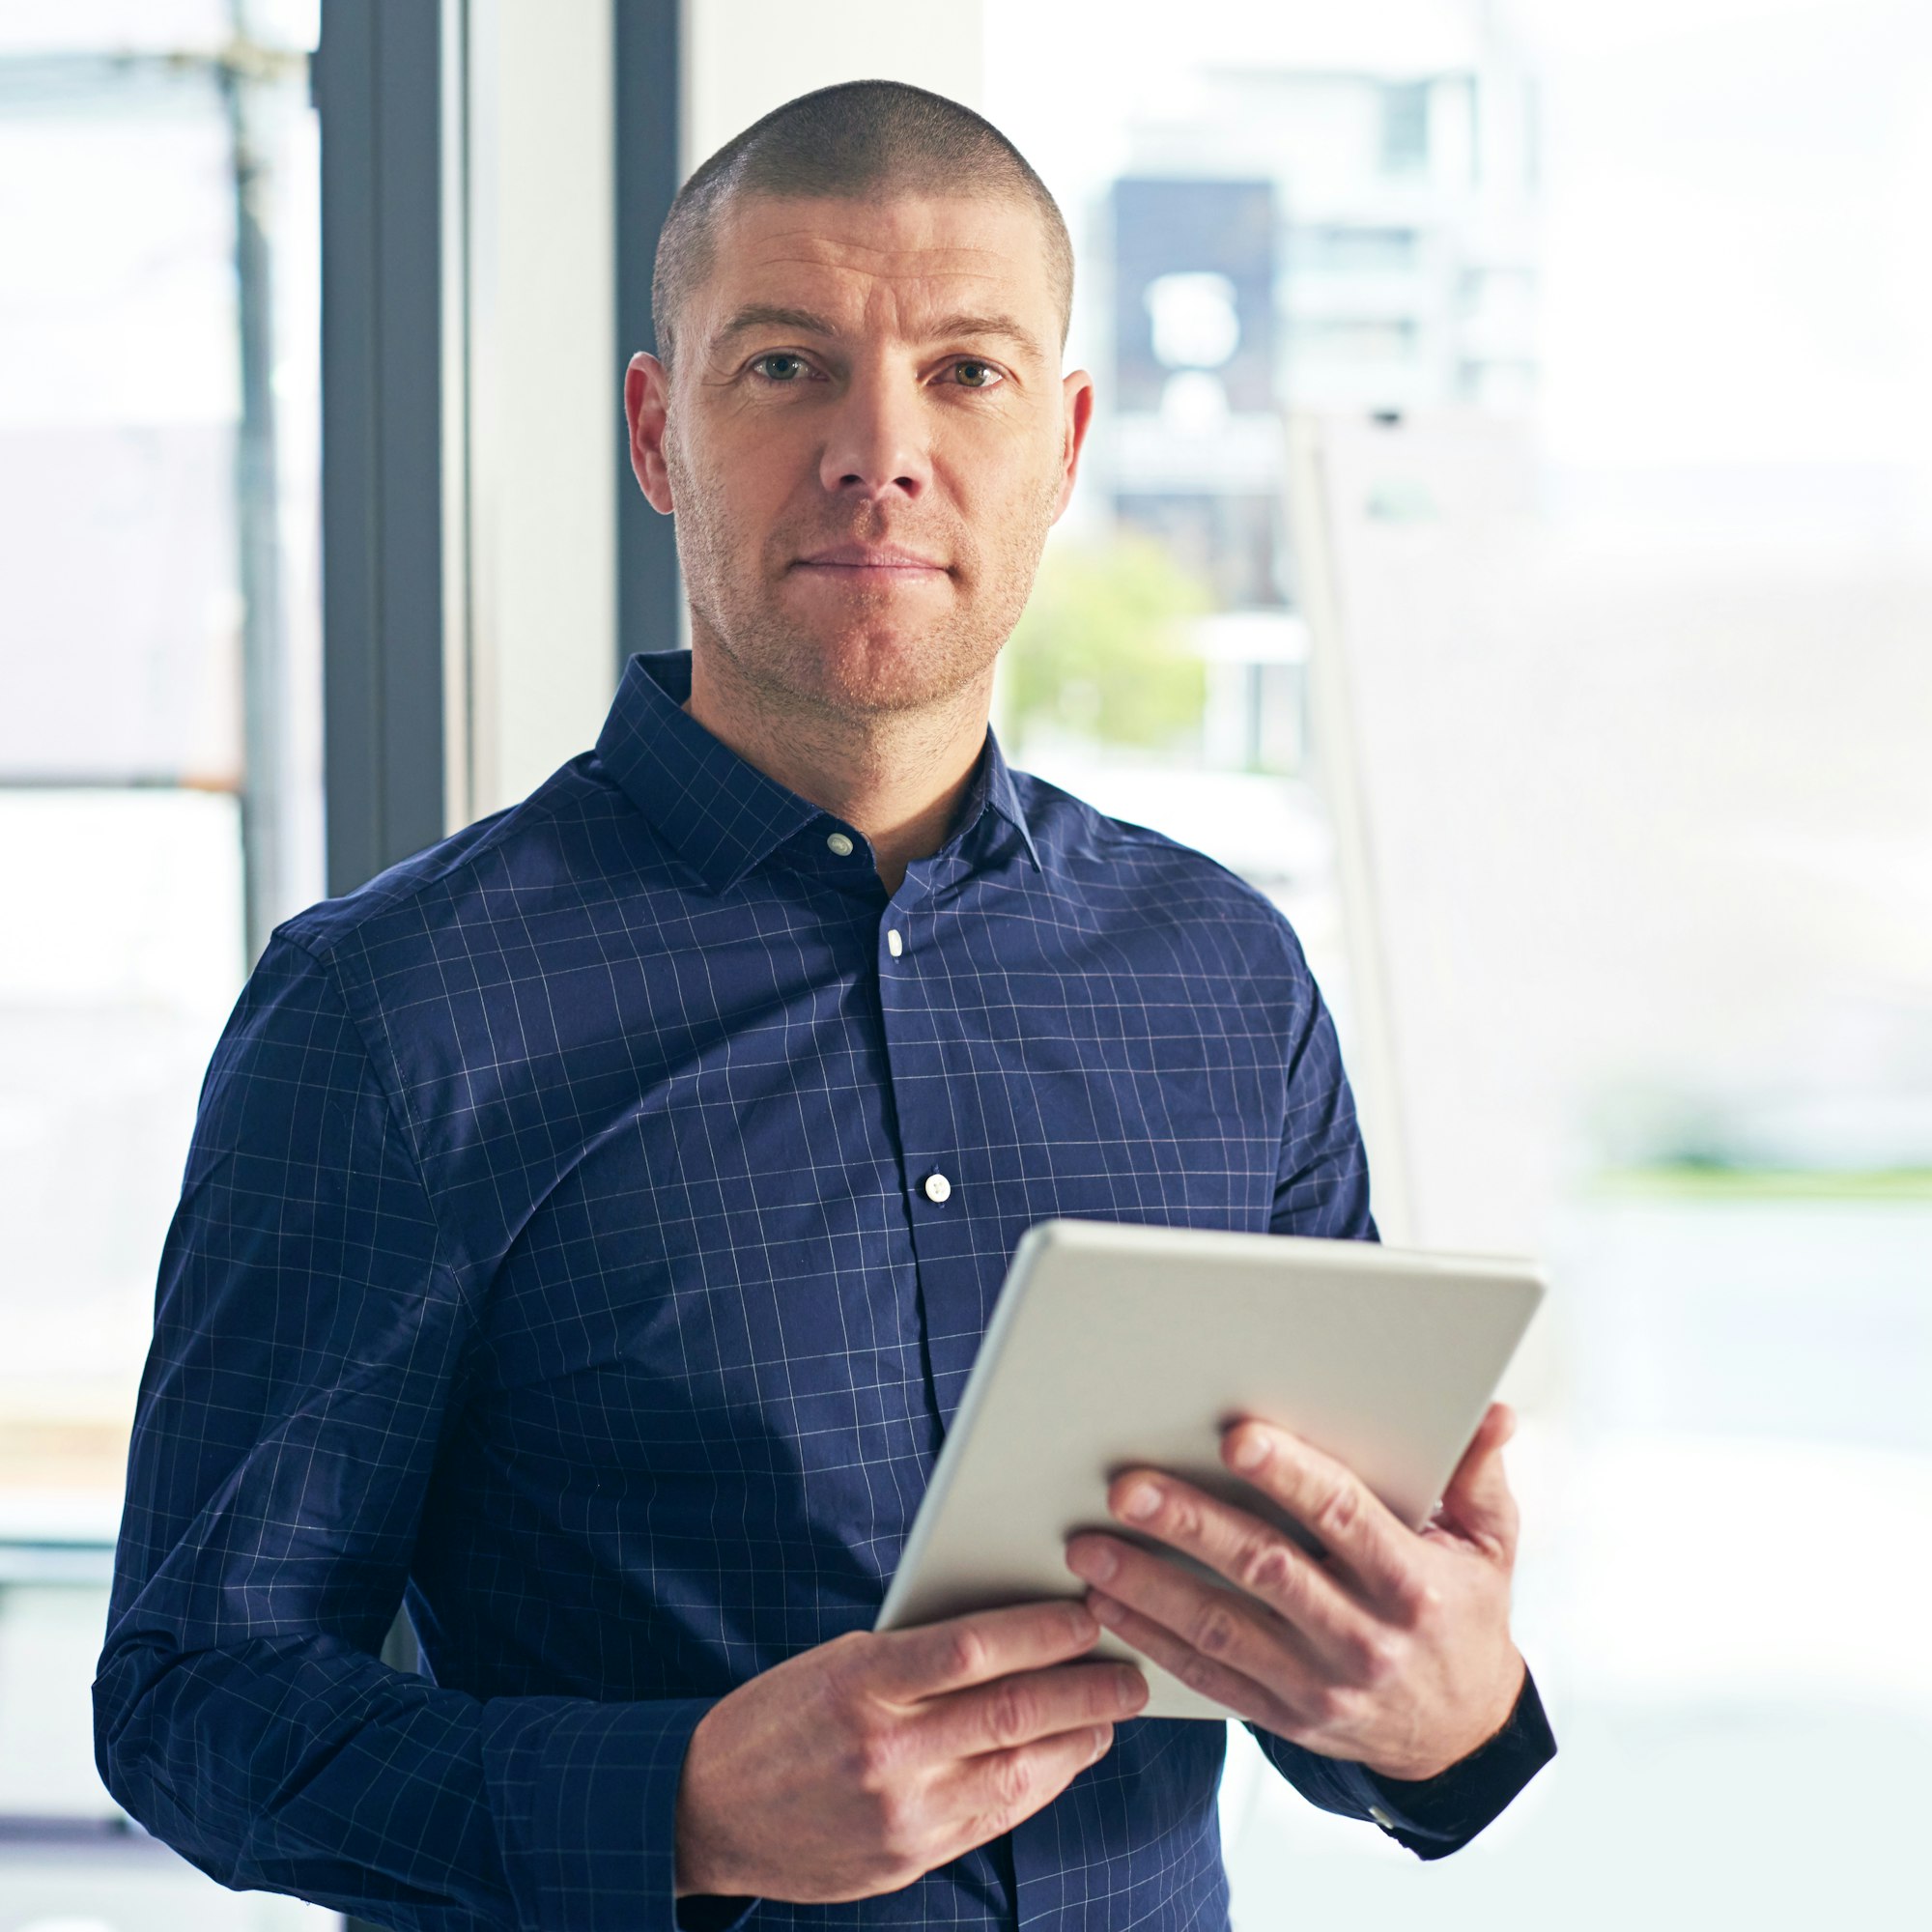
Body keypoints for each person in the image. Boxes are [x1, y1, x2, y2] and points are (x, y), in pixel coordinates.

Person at [96, 79, 1553, 1932]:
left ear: (1068, 439)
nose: (883, 451)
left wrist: (1449, 1716)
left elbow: (1323, 1654)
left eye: (968, 373)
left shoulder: (1221, 976)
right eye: (787, 367)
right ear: (656, 429)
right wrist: (677, 1812)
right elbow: (188, 1701)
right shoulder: (390, 1014)